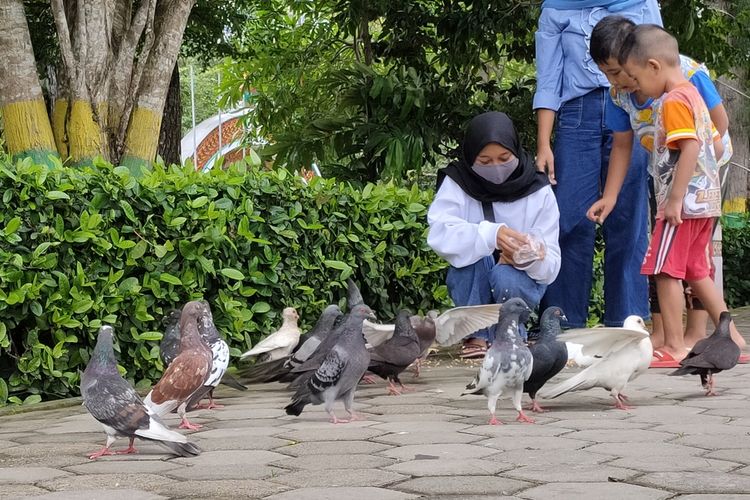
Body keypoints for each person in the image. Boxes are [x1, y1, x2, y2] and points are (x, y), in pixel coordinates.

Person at [584, 15, 741, 367]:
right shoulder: (625, 94)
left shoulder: (680, 84)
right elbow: (623, 146)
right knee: (694, 265)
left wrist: (682, 190)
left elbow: (714, 129)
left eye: (620, 72)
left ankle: (679, 343)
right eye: (608, 74)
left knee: (667, 265)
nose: (618, 81)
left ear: (637, 59)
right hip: (679, 183)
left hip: (691, 184)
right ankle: (729, 336)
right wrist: (610, 196)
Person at [534, 0, 662, 329]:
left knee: (628, 220)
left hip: (633, 111)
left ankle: (627, 323)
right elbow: (548, 81)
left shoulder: (643, 5)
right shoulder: (555, 10)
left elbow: (659, 70)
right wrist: (543, 143)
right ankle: (562, 325)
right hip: (577, 115)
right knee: (569, 219)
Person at [427, 111, 561, 358]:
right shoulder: (458, 183)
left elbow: (551, 264)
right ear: (470, 157)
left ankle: (511, 331)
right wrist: (490, 235)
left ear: (516, 151)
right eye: (485, 161)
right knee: (472, 259)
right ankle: (477, 333)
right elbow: (439, 232)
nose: (496, 168)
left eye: (504, 158)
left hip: (519, 282)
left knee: (506, 276)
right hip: (474, 276)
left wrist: (530, 257)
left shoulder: (538, 190)